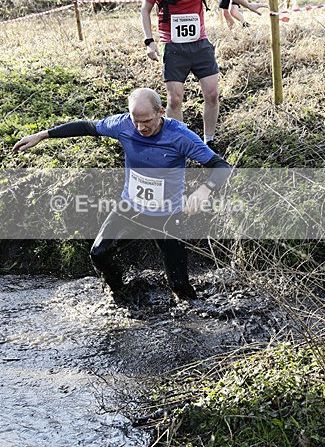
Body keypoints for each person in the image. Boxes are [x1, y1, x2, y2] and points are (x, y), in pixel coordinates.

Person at [12, 88, 231, 303]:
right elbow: (87, 127)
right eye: (136, 120)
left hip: (167, 215)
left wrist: (205, 189)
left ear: (161, 112)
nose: (140, 127)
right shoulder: (123, 125)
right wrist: (42, 135)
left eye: (146, 121)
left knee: (180, 288)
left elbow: (221, 166)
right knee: (98, 254)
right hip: (131, 208)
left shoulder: (180, 136)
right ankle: (121, 295)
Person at [141, 0, 266, 150]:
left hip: (200, 43)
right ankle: (179, 144)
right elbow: (145, 9)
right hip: (173, 45)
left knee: (212, 93)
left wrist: (248, 5)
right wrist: (149, 41)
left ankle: (209, 141)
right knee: (175, 100)